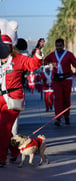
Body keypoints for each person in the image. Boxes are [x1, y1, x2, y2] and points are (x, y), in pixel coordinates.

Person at [0, 32, 43, 167]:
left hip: (13, 97)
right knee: (5, 129)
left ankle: (1, 158)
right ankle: (14, 152)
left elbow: (33, 64)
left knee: (3, 127)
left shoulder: (18, 58)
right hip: (0, 96)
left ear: (10, 47)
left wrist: (37, 53)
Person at [43, 38, 76, 126]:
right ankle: (58, 118)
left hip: (67, 79)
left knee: (66, 98)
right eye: (57, 46)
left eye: (60, 46)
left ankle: (67, 116)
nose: (58, 47)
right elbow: (45, 61)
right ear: (55, 46)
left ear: (63, 46)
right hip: (56, 80)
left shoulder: (69, 54)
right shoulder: (52, 55)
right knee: (58, 98)